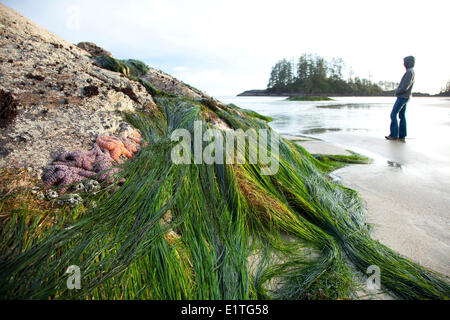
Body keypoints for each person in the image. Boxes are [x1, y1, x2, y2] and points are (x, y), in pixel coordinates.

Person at [385, 56, 415, 141]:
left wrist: (397, 92)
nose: (404, 64)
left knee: (393, 114)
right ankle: (402, 135)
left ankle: (393, 135)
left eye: (405, 62)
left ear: (409, 62)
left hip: (403, 97)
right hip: (406, 96)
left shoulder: (409, 72)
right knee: (402, 115)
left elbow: (405, 86)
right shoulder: (411, 72)